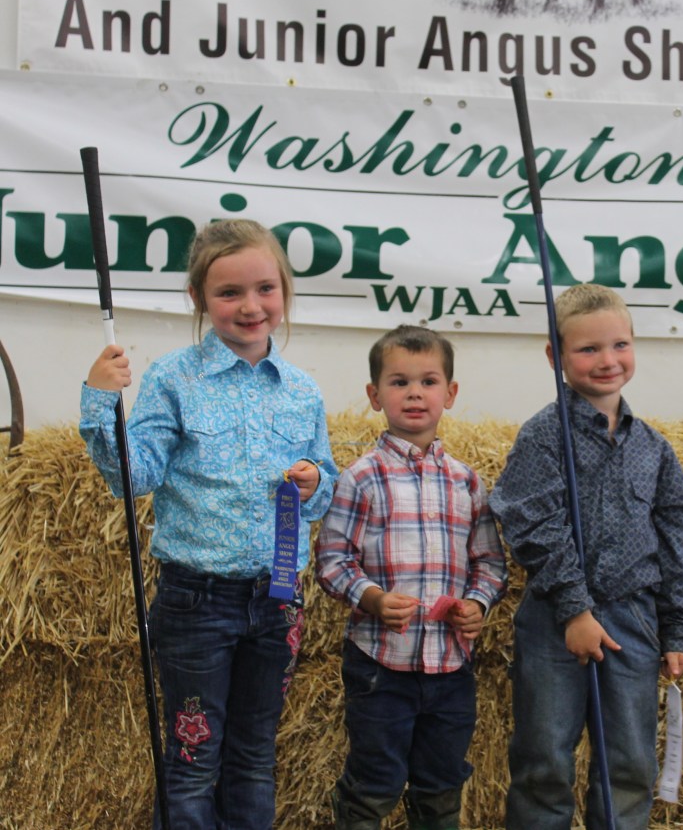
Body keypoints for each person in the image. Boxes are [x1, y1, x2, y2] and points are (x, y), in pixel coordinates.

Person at [79, 218, 337, 830]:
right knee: (193, 758)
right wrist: (100, 401)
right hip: (197, 601)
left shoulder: (302, 391)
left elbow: (323, 487)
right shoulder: (174, 378)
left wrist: (315, 482)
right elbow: (136, 476)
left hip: (278, 598)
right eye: (229, 293)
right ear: (198, 298)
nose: (251, 306)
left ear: (284, 291)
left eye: (265, 289)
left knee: (254, 757)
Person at [488, 283, 683, 830]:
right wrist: (575, 609)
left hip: (634, 619)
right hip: (555, 619)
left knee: (629, 762)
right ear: (555, 356)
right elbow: (532, 521)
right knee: (544, 759)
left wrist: (677, 629)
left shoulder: (653, 448)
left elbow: (677, 535)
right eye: (588, 349)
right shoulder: (543, 435)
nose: (608, 360)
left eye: (620, 345)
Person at [315, 325, 508, 830]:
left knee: (441, 781)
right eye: (399, 382)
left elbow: (490, 563)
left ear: (451, 393)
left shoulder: (467, 482)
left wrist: (477, 604)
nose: (415, 393)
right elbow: (332, 560)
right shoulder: (361, 477)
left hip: (450, 666)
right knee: (375, 779)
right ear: (375, 395)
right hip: (380, 666)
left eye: (428, 381)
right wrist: (372, 598)